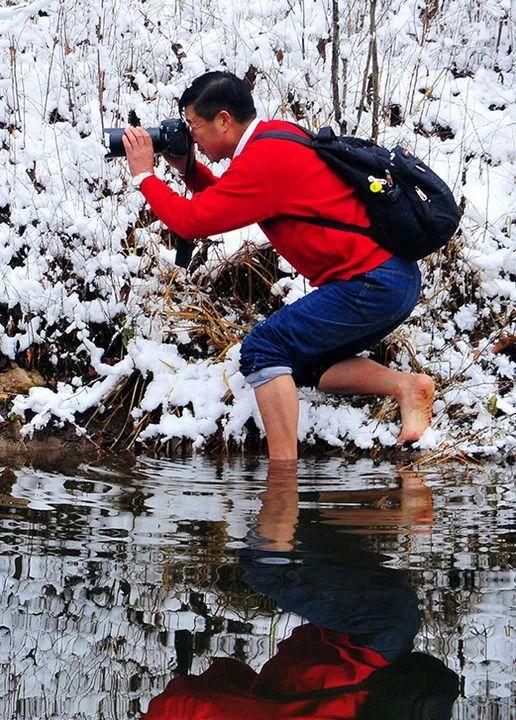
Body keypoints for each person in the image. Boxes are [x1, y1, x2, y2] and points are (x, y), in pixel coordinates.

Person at [122, 71, 435, 461]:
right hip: (390, 280)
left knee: (264, 348)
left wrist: (144, 175)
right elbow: (226, 200)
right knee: (302, 362)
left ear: (223, 120)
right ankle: (407, 388)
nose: (193, 137)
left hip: (371, 283)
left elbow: (191, 221)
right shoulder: (275, 138)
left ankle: (283, 477)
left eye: (194, 127)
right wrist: (187, 168)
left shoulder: (264, 160)